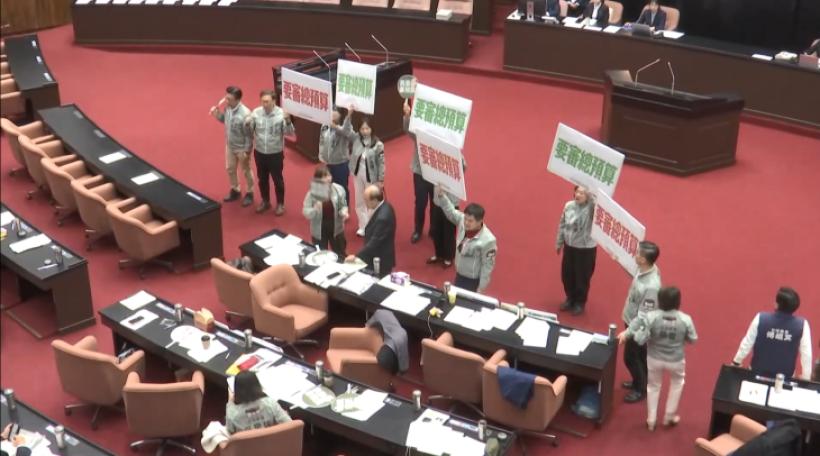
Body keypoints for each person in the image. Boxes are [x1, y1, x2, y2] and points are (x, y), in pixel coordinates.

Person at [618, 286, 697, 431]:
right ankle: (669, 417)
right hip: (676, 359)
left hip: (655, 358)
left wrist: (644, 334)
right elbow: (693, 339)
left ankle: (651, 420)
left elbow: (639, 339)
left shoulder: (651, 317)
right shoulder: (686, 319)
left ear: (659, 301)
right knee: (677, 383)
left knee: (653, 386)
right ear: (679, 302)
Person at [732, 287, 813, 380]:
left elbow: (747, 343)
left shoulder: (761, 318)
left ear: (777, 304)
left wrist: (736, 362)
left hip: (756, 375)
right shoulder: (802, 325)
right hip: (784, 379)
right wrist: (806, 377)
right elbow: (806, 354)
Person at [433, 186, 497, 293]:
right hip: (459, 274)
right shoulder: (463, 221)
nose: (466, 223)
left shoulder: (488, 241)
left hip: (472, 281)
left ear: (480, 221)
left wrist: (481, 288)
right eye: (466, 219)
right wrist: (442, 196)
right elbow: (451, 212)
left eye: (470, 221)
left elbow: (487, 267)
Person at [620, 240, 662, 403]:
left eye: (638, 253)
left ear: (644, 260)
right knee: (640, 355)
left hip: (639, 326)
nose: (635, 254)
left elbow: (644, 316)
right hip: (632, 319)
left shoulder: (651, 287)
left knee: (631, 358)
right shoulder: (646, 268)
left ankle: (640, 389)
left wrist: (627, 332)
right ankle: (640, 381)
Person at [245, 90, 294, 215]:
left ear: (274, 101)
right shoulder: (256, 113)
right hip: (260, 152)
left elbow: (289, 133)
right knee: (262, 179)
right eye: (262, 101)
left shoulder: (281, 114)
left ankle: (280, 204)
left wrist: (288, 121)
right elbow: (250, 132)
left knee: (277, 180)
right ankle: (265, 201)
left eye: (267, 102)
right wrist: (247, 124)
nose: (264, 104)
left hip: (275, 153)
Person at [556, 185, 597, 316]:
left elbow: (598, 209)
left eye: (582, 193)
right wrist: (559, 242)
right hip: (569, 246)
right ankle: (570, 298)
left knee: (582, 277)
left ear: (588, 196)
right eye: (577, 192)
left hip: (585, 249)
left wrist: (594, 197)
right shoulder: (569, 205)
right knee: (567, 275)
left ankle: (580, 302)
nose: (578, 195)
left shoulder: (592, 208)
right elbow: (562, 224)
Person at [210, 86, 254, 207]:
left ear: (237, 100)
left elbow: (249, 135)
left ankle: (250, 192)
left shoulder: (245, 114)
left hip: (241, 148)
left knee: (246, 170)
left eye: (229, 99)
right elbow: (225, 120)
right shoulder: (228, 108)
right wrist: (216, 114)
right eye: (226, 98)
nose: (226, 101)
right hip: (230, 145)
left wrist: (247, 151)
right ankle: (235, 190)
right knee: (230, 168)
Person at [346, 110, 385, 237]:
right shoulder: (356, 138)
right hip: (357, 174)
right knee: (359, 200)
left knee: (372, 201)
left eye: (367, 128)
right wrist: (349, 115)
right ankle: (363, 225)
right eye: (362, 129)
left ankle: (371, 226)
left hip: (371, 177)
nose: (364, 131)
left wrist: (381, 179)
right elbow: (347, 130)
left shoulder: (378, 144)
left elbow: (381, 163)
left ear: (371, 129)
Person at [346, 185, 395, 276]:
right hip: (378, 254)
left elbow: (374, 242)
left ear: (375, 200)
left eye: (366, 200)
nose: (365, 203)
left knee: (378, 280)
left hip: (380, 260)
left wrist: (356, 256)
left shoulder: (382, 219)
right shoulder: (386, 205)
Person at [302, 164, 348, 257]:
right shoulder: (312, 194)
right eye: (324, 177)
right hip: (319, 228)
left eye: (328, 175)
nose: (327, 178)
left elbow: (343, 205)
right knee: (320, 255)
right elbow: (305, 212)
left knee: (341, 254)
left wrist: (344, 212)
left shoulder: (338, 189)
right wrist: (314, 209)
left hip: (336, 227)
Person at [404, 99, 433, 244]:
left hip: (436, 175)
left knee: (436, 204)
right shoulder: (419, 133)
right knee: (420, 203)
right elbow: (408, 130)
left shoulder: (440, 136)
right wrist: (407, 116)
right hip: (420, 173)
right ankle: (418, 229)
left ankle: (434, 229)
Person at [226, 371, 291, 434]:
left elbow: (229, 433)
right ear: (257, 385)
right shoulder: (270, 403)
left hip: (248, 441)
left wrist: (230, 403)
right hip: (274, 440)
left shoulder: (232, 412)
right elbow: (289, 424)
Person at [319, 106, 353, 205]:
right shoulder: (325, 124)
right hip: (328, 163)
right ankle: (334, 207)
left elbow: (347, 133)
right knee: (330, 188)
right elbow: (322, 140)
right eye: (332, 110)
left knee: (342, 188)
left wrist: (348, 116)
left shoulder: (346, 126)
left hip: (340, 164)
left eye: (336, 111)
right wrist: (321, 155)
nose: (333, 113)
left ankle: (344, 208)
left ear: (341, 114)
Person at [427, 189, 458, 269]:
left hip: (451, 202)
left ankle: (449, 257)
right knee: (436, 230)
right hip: (438, 201)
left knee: (448, 232)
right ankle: (439, 254)